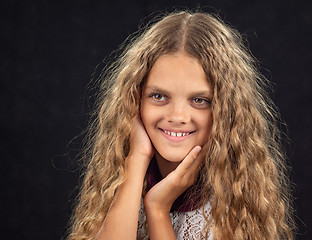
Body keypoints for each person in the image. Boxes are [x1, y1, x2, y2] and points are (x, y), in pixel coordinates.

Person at [66, 10, 295, 240]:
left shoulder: (234, 203)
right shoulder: (118, 180)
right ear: (135, 101)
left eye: (199, 100)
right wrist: (136, 160)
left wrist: (157, 210)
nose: (177, 116)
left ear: (224, 112)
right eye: (158, 96)